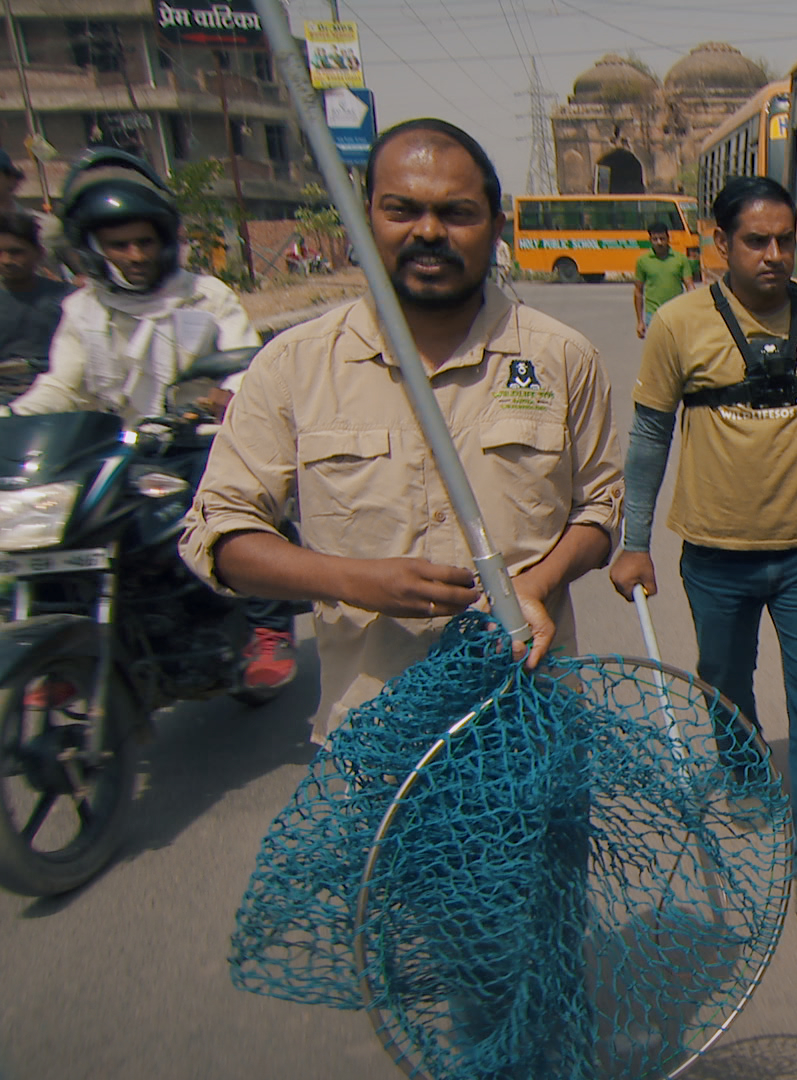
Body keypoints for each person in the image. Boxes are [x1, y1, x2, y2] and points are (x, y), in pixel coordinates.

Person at [179, 118, 622, 740]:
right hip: (373, 736)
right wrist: (352, 581)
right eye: (402, 210)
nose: (429, 231)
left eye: (457, 212)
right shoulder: (292, 365)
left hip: (531, 723)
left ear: (496, 227)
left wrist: (533, 586)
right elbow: (218, 534)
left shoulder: (562, 358)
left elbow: (600, 510)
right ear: (365, 223)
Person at [608, 176, 797, 917]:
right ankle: (747, 773)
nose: (774, 254)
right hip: (716, 554)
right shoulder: (678, 325)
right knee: (725, 680)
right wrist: (634, 542)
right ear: (720, 242)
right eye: (756, 240)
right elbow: (650, 436)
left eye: (786, 239)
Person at [5, 149, 300, 697]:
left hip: (194, 442)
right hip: (114, 450)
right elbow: (62, 384)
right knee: (54, 525)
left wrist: (226, 397)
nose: (135, 255)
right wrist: (13, 415)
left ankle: (267, 628)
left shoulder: (205, 296)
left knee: (234, 507)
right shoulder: (83, 310)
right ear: (93, 248)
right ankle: (66, 650)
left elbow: (246, 367)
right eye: (120, 245)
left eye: (144, 241)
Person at [0, 208, 71, 402]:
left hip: (58, 393)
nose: (6, 261)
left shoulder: (70, 300)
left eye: (16, 252)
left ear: (39, 253)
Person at [631, 222, 696, 338]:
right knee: (658, 348)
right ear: (650, 240)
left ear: (668, 239)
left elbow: (690, 286)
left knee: (677, 347)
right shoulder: (643, 261)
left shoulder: (680, 259)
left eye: (662, 239)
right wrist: (640, 321)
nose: (659, 243)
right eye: (655, 239)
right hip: (654, 314)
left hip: (677, 313)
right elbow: (638, 291)